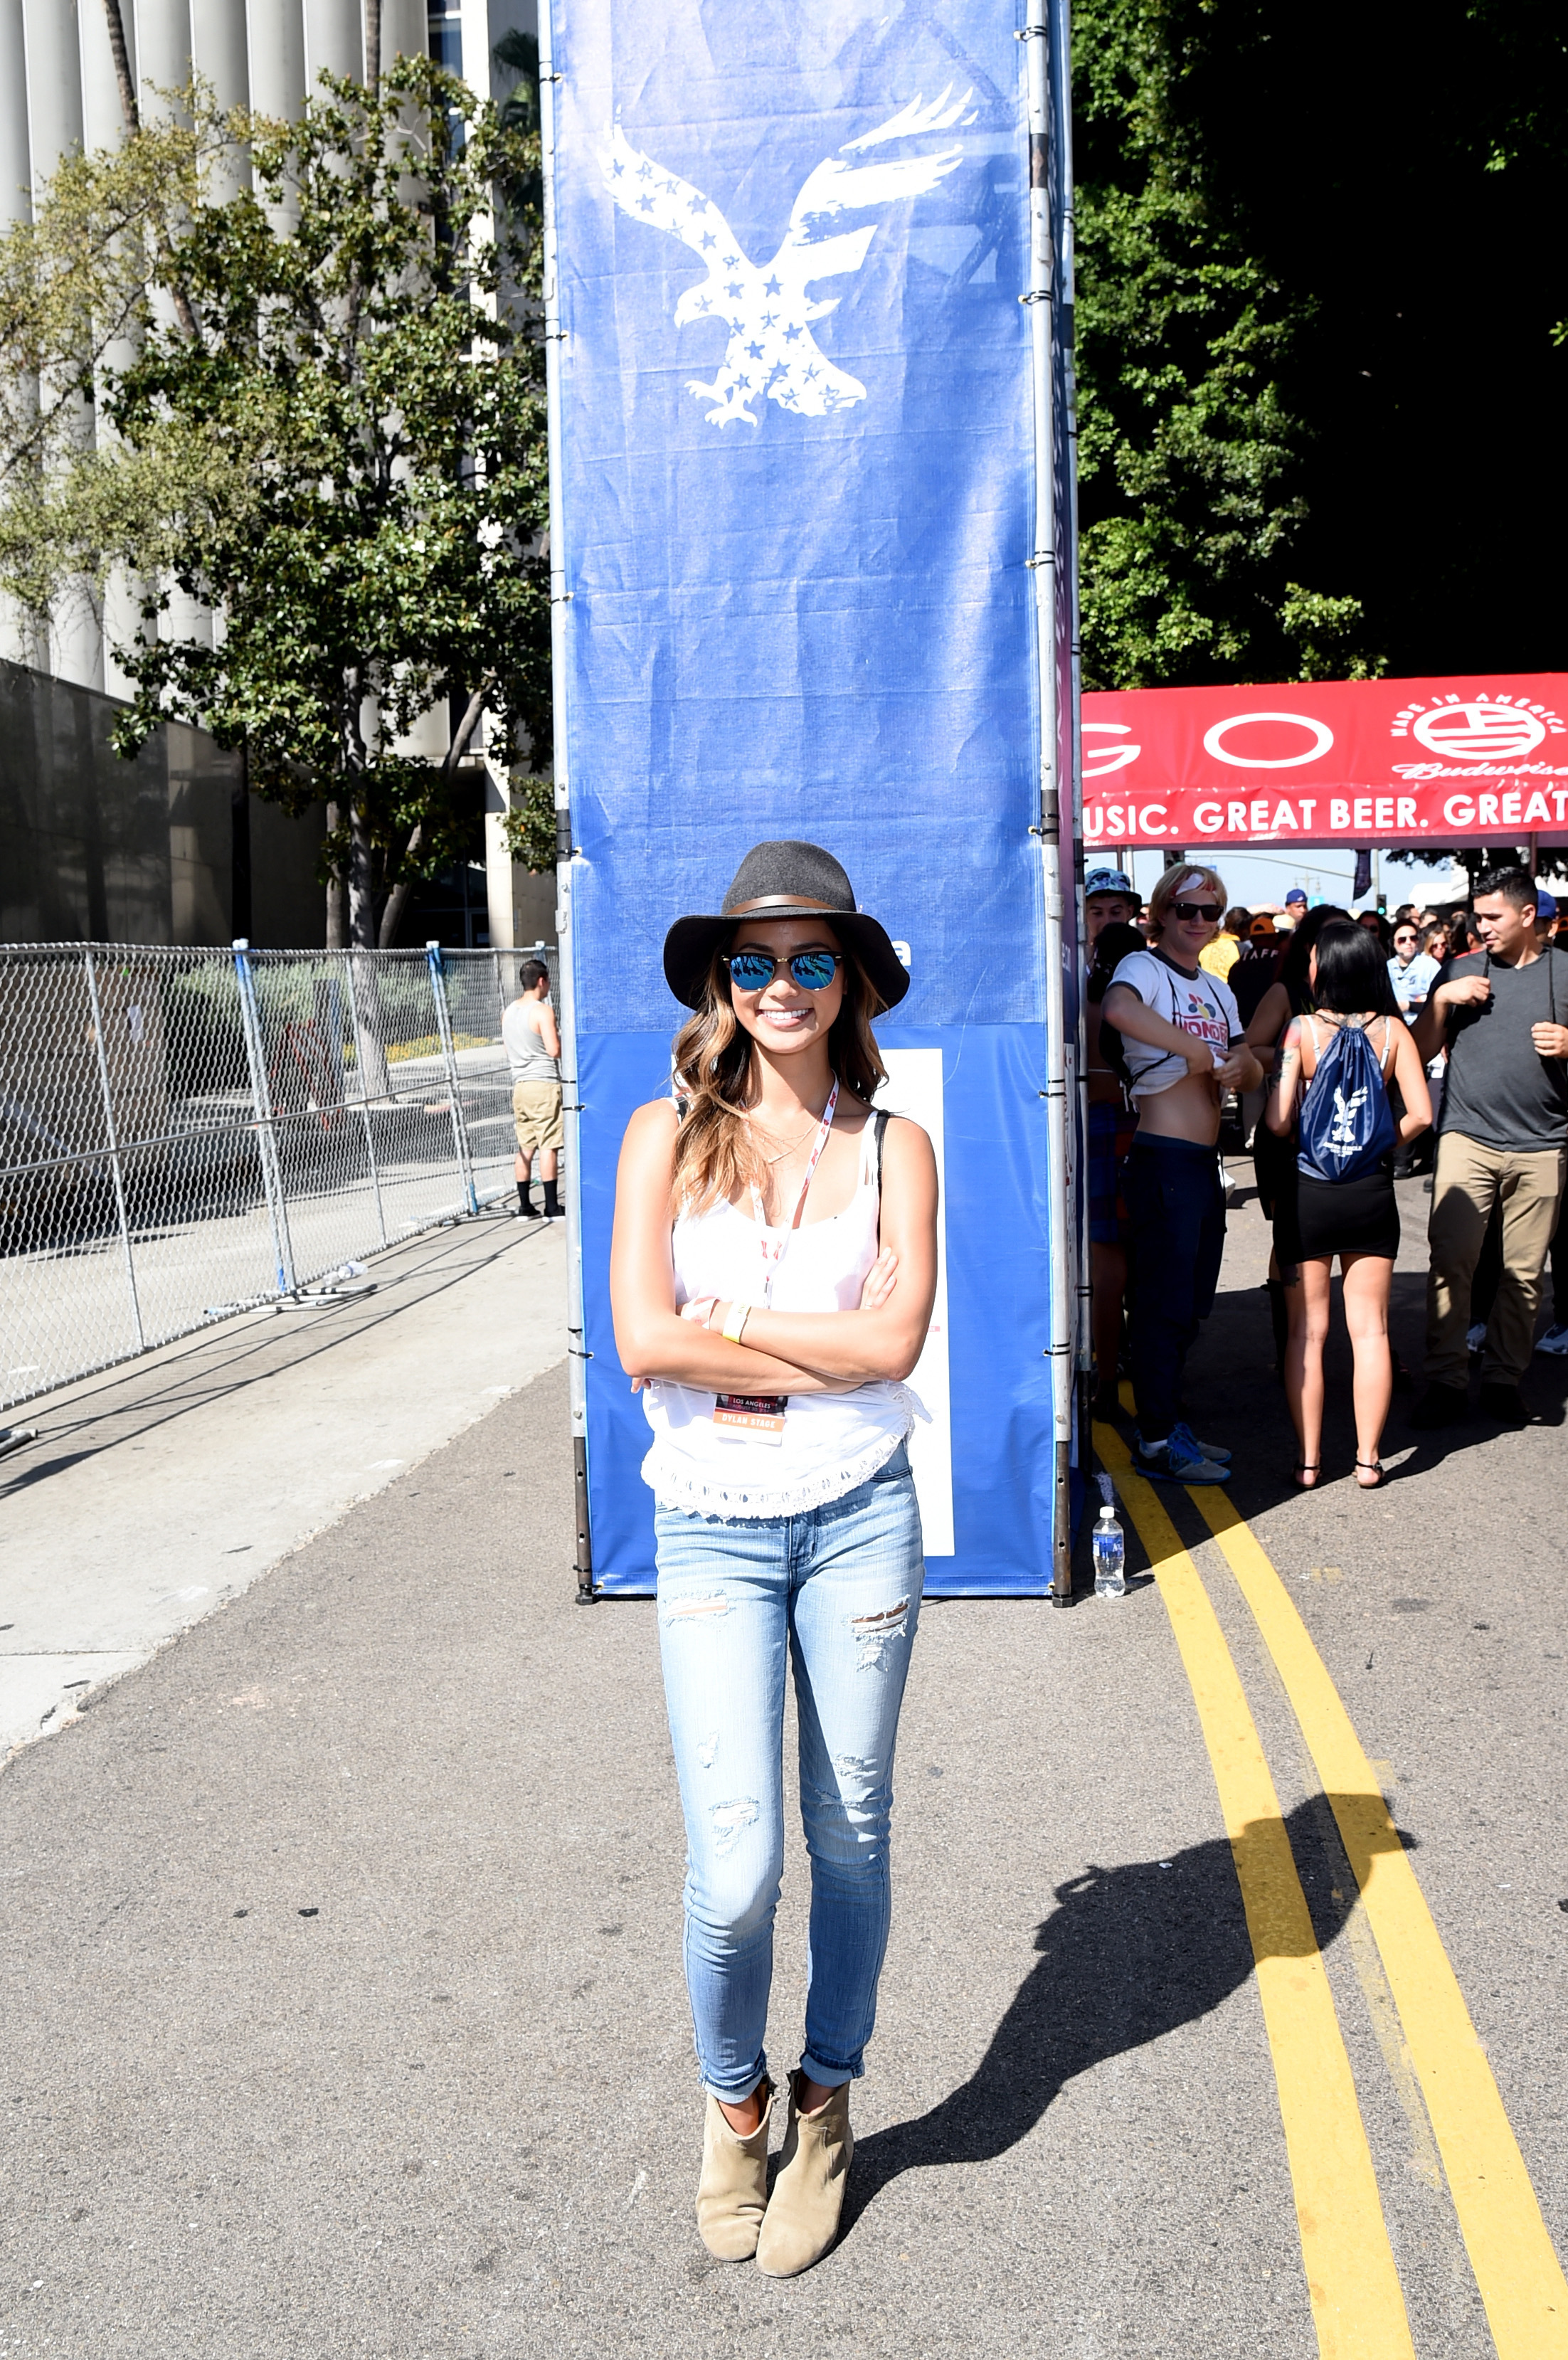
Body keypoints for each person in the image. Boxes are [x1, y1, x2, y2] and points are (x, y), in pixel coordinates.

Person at [609, 840, 937, 2277]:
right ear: (720, 983)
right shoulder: (659, 1138)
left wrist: (729, 1323)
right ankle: (732, 2100)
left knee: (849, 1830)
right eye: (755, 959)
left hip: (860, 1512)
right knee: (735, 1865)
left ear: (852, 977)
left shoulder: (894, 1145)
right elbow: (641, 1341)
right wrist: (810, 1342)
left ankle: (825, 2100)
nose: (784, 982)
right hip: (711, 1525)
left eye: (813, 957)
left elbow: (895, 1348)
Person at [1101, 865, 1262, 1482]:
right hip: (1162, 1156)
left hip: (1202, 1163)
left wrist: (1237, 1070)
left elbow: (1249, 1061)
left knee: (1191, 1301)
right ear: (1162, 913)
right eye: (1187, 908)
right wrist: (1194, 1051)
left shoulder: (1219, 990)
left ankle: (1166, 1420)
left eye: (1210, 911)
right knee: (1163, 1303)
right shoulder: (1144, 968)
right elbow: (1117, 1008)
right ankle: (1158, 1436)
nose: (1199, 921)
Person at [1264, 924, 1431, 1487]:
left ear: (1329, 969)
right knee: (1372, 1332)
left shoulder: (1301, 1031)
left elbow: (1280, 1120)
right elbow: (1422, 1115)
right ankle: (1368, 1459)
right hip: (1370, 1193)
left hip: (1309, 1194)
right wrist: (1379, 1143)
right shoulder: (1394, 1033)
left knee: (1305, 1334)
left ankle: (1309, 1462)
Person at [1409, 867, 1568, 1427]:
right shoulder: (1460, 969)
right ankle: (1447, 1381)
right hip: (1466, 1137)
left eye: (1493, 916)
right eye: (1479, 915)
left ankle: (1504, 1380)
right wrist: (1441, 1000)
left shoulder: (1565, 972)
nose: (1482, 927)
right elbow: (1419, 1050)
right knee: (1451, 1261)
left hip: (1544, 1142)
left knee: (1523, 1274)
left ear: (1529, 916)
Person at [1244, 909, 1350, 1370]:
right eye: (1324, 939)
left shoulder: (1364, 992)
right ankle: (1288, 1345)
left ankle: (1378, 1347)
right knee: (1290, 1239)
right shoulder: (1286, 991)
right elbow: (1248, 1049)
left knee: (1351, 1240)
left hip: (1350, 1137)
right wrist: (1301, 1054)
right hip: (1290, 1137)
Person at [1085, 919, 1145, 1419]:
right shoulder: (1142, 1003)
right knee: (1150, 1268)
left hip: (1099, 1128)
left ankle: (1107, 1383)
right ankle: (1156, 1384)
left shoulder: (1082, 1003)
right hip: (1150, 1125)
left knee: (1107, 1270)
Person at [502, 959, 563, 1219]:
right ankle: (551, 1205)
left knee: (526, 1146)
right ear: (541, 980)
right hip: (543, 1083)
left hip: (520, 1085)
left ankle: (525, 1205)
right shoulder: (542, 1011)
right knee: (549, 1144)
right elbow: (553, 1050)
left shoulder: (508, 1012)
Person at [1084, 866, 1140, 957]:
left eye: (1116, 912)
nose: (1107, 922)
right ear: (1084, 914)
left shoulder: (1149, 962)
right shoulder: (1074, 964)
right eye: (1097, 913)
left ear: (1129, 912)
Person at [1388, 920, 1440, 1019]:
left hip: (1423, 1025)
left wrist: (1410, 1006)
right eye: (1402, 939)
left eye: (1413, 938)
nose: (1409, 942)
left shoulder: (1430, 965)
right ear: (1393, 942)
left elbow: (1439, 1002)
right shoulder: (1387, 968)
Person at [1200, 905, 1249, 982]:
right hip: (1227, 990)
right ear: (1243, 929)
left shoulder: (1207, 944)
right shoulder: (1241, 949)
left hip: (1204, 989)